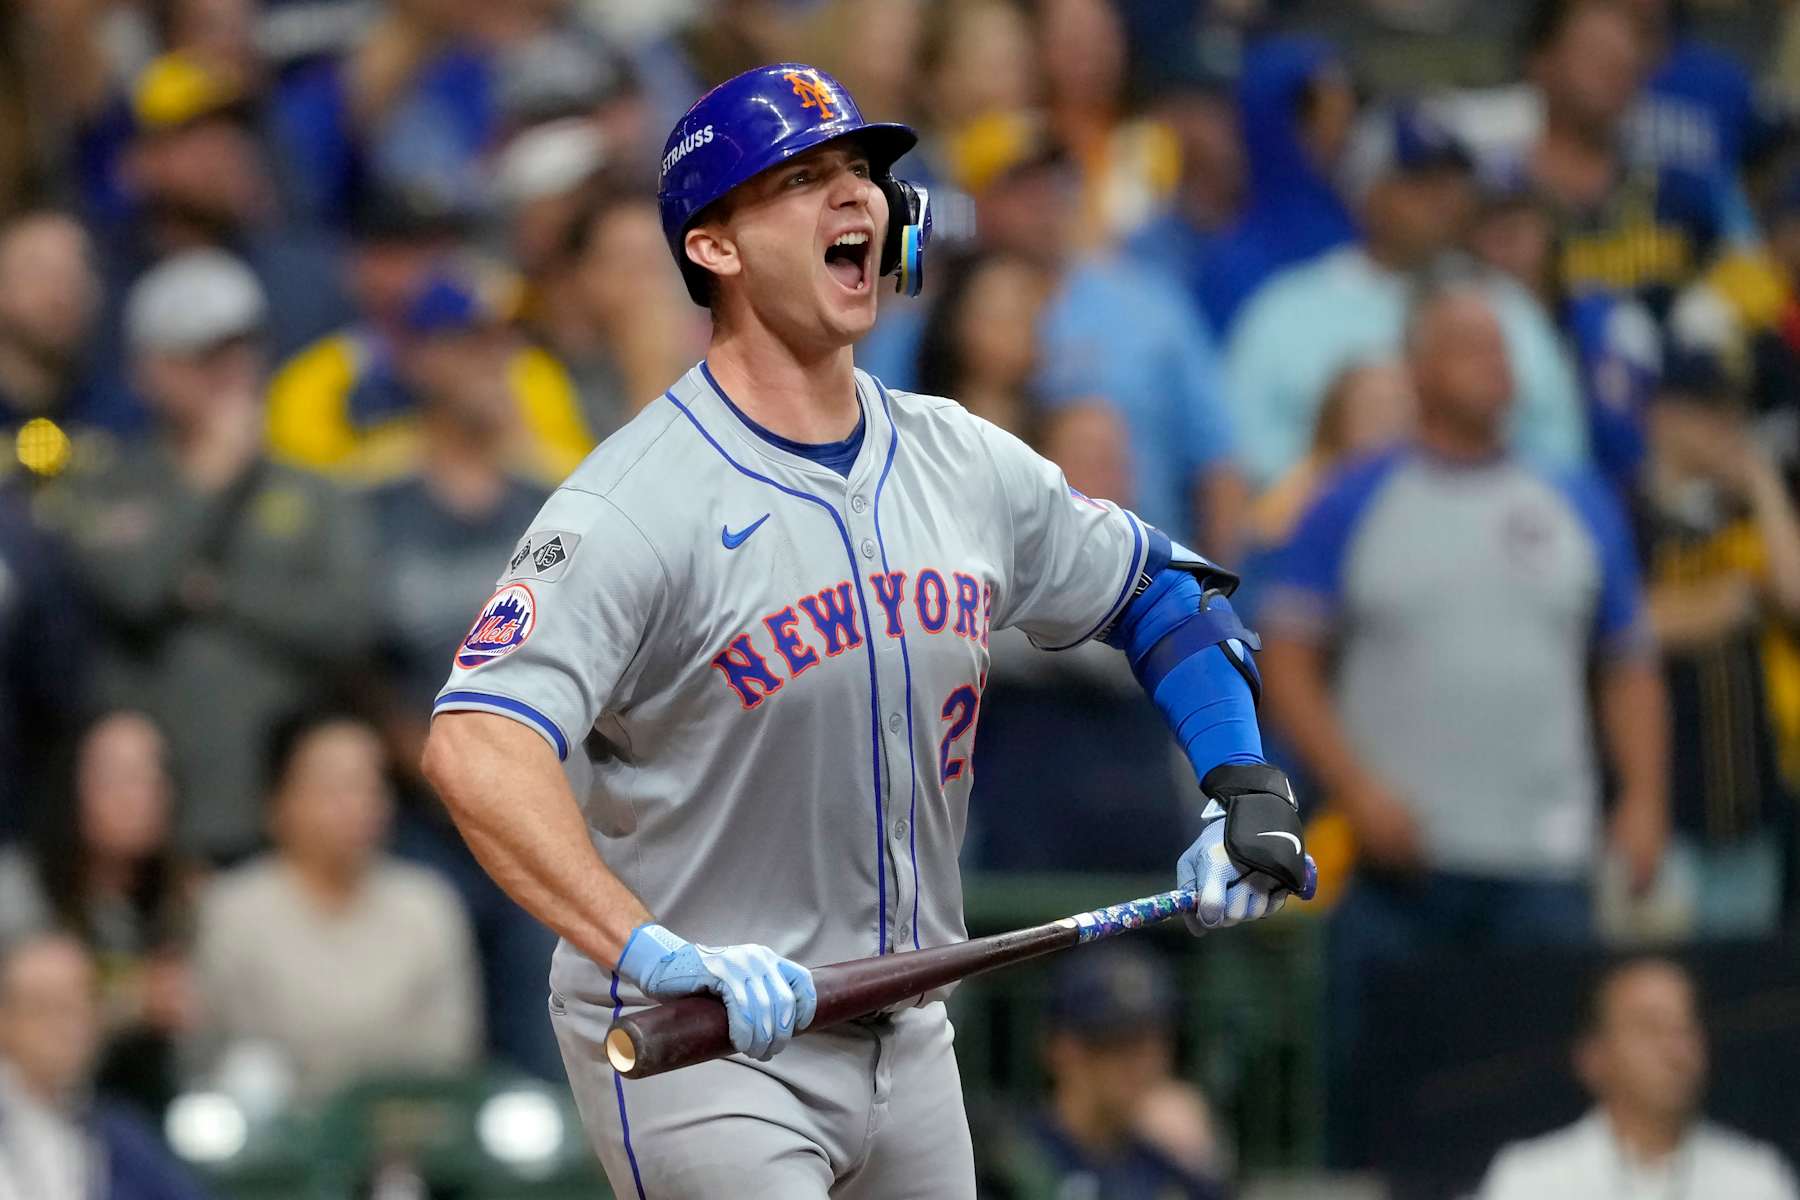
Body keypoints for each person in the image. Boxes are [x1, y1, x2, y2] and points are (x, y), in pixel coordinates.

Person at [421, 63, 1313, 1198]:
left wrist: (1243, 785)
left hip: (910, 1031)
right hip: (706, 1040)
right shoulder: (631, 504)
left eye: (860, 171)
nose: (855, 196)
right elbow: (476, 745)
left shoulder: (958, 458)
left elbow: (1167, 594)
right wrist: (649, 948)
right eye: (802, 178)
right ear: (714, 245)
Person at [1255, 279, 1668, 1165]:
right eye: (1470, 347)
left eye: (1501, 347)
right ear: (1418, 368)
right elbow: (1285, 659)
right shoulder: (1351, 500)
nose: (1496, 364)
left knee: (1550, 1117)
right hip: (1401, 870)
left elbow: (1628, 663)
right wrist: (1355, 789)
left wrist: (1643, 801)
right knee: (1385, 1117)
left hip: (1547, 864)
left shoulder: (1577, 496)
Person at [53, 250, 373, 861]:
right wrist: (209, 481)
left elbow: (348, 623)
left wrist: (216, 593)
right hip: (148, 822)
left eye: (240, 351)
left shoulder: (312, 488)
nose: (228, 374)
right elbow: (135, 590)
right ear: (148, 370)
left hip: (286, 816)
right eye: (202, 357)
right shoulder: (105, 483)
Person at [1224, 103, 1588, 491]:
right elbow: (1247, 462)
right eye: (1420, 182)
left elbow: (1561, 452)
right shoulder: (1284, 311)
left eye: (1454, 181)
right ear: (1367, 193)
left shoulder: (1505, 305)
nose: (1444, 199)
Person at [193, 712, 480, 1101]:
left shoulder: (427, 904)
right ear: (278, 802)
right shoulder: (233, 910)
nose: (359, 805)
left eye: (370, 786)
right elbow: (214, 1054)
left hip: (405, 1121)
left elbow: (450, 1056)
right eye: (335, 787)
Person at [1479, 957, 1799, 1200]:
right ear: (1593, 1056)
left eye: (1686, 1028)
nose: (1676, 1050)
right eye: (1651, 1029)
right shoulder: (1532, 1179)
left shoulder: (1756, 1179)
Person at [989, 946, 1227, 1199]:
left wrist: (1201, 1163)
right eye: (1118, 1042)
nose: (1144, 1063)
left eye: (1156, 1043)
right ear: (1062, 1048)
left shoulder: (1171, 1167)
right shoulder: (1011, 1160)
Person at [0, 933, 210, 1200]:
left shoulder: (119, 1135)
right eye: (45, 1008)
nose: (66, 1027)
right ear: (5, 1019)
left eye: (78, 1007)